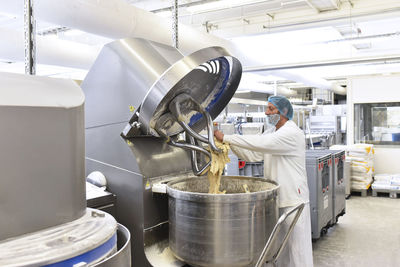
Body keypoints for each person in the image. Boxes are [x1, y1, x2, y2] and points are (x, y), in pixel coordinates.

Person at [214, 95, 313, 267]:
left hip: (294, 200)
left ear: (283, 112)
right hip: (277, 198)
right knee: (279, 250)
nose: (267, 113)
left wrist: (227, 137)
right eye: (267, 109)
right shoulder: (272, 132)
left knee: (298, 252)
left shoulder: (291, 133)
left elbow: (261, 143)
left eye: (271, 109)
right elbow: (254, 154)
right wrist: (230, 146)